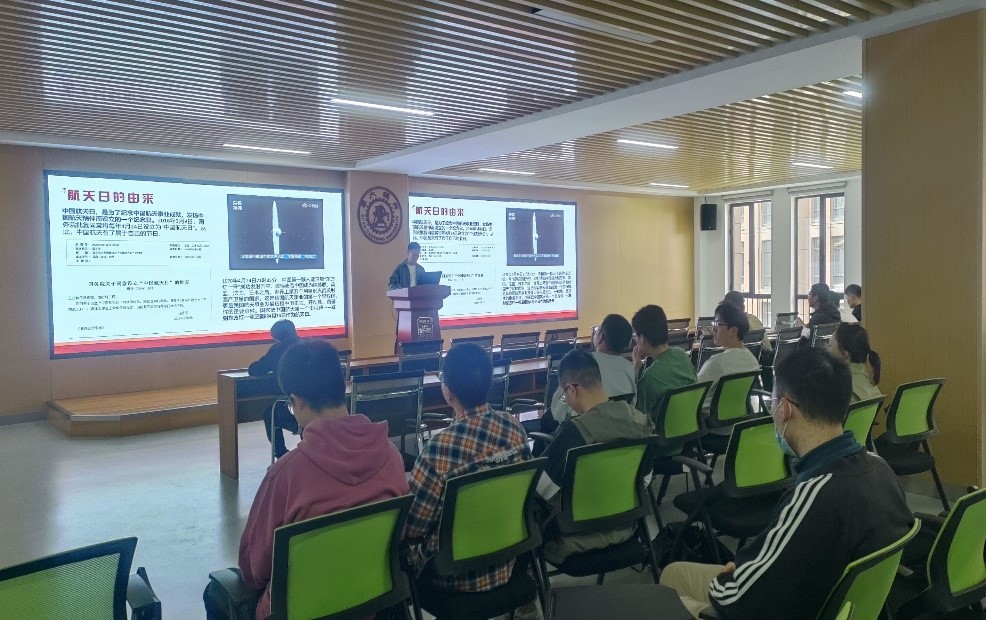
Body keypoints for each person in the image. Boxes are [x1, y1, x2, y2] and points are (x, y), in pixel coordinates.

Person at [660, 348, 913, 619]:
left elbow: (740, 600)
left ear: (784, 409)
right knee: (675, 574)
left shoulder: (815, 496)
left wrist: (731, 579)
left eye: (773, 403)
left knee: (661, 600)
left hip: (774, 604)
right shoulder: (881, 468)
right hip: (828, 595)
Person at [204, 340, 409, 620]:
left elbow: (253, 570)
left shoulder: (285, 475)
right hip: (370, 602)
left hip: (296, 611)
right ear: (343, 385)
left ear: (297, 401)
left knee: (216, 591)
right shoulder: (392, 457)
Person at [404, 343, 531, 595]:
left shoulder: (438, 450)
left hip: (451, 576)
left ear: (448, 392)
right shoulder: (515, 429)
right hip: (508, 558)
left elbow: (413, 528)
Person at [535, 349, 654, 564]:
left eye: (564, 395)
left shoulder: (574, 431)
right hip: (626, 530)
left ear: (572, 389)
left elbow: (541, 489)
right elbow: (644, 481)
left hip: (573, 540)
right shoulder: (640, 421)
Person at [545, 313, 637, 430]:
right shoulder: (628, 367)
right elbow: (632, 404)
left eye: (598, 331)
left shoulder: (583, 363)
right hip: (618, 429)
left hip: (581, 431)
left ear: (601, 337)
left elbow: (558, 412)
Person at [631, 304, 698, 425]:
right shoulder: (682, 355)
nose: (635, 340)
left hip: (660, 434)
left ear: (643, 339)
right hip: (689, 426)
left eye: (635, 336)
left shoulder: (650, 377)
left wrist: (635, 370)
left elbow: (635, 414)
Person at [248, 319, 300, 459]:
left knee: (270, 414)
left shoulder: (278, 350)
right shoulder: (310, 346)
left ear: (277, 338)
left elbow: (255, 370)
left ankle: (282, 455)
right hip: (318, 405)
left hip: (295, 404)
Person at [696, 302, 761, 412]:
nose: (713, 329)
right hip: (738, 415)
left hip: (706, 417)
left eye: (718, 324)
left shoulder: (717, 362)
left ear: (733, 330)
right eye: (714, 323)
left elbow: (692, 392)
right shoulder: (752, 360)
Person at [829, 323, 882, 402]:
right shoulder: (870, 385)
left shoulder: (840, 388)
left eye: (829, 347)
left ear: (845, 353)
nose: (827, 352)